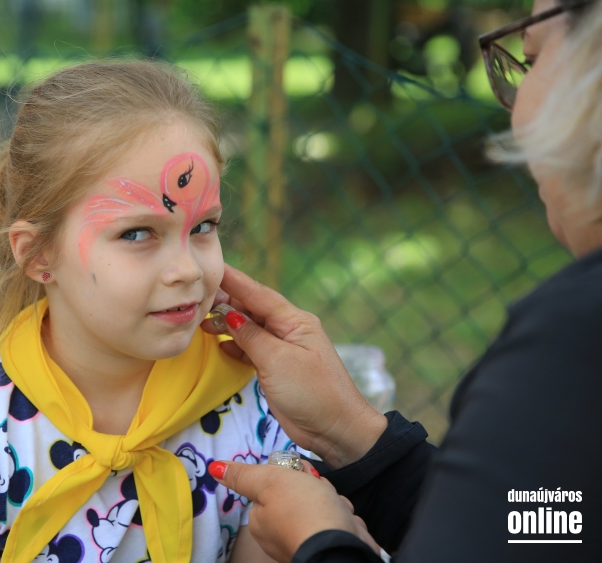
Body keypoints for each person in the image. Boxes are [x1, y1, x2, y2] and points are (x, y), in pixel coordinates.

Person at [199, 0, 602, 561]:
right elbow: (541, 527)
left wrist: (323, 542)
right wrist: (354, 437)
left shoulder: (577, 345)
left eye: (529, 61)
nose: (514, 102)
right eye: (138, 233)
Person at [0, 60, 295, 563]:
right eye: (137, 233)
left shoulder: (259, 410)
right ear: (39, 255)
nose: (187, 269)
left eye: (203, 226)